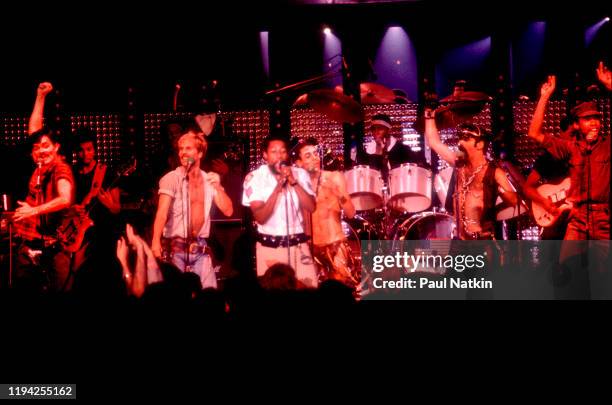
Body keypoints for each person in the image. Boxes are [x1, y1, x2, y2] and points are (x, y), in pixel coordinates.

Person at [527, 75, 609, 240]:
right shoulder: (570, 148)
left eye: (596, 118)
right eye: (587, 119)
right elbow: (534, 133)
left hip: (602, 219)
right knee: (568, 263)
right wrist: (544, 97)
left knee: (602, 265)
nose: (593, 123)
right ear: (577, 125)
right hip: (577, 218)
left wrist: (610, 86)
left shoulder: (607, 145)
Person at [151, 129, 233, 288]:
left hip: (200, 249)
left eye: (188, 148)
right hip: (175, 250)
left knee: (209, 297)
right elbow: (161, 213)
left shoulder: (209, 179)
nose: (182, 153)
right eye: (180, 149)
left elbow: (228, 211)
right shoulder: (171, 179)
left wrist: (218, 187)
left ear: (200, 153)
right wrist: (155, 242)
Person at [424, 110, 518, 240]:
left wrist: (501, 190)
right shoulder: (459, 165)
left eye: (466, 139)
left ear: (480, 144)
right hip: (459, 241)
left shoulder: (494, 173)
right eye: (460, 138)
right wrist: (429, 116)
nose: (460, 143)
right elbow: (434, 142)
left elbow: (514, 201)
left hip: (481, 242)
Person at [242, 136, 318, 288]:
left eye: (283, 151)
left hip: (298, 244)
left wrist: (293, 181)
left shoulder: (300, 174)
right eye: (274, 151)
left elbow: (311, 207)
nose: (279, 155)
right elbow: (260, 217)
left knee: (309, 288)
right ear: (265, 155)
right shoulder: (255, 178)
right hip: (270, 246)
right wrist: (277, 188)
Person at [13, 128, 75, 291]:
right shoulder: (39, 170)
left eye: (45, 146)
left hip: (52, 249)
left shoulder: (60, 169)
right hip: (29, 246)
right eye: (36, 147)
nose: (40, 150)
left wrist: (33, 211)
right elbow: (34, 127)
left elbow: (65, 199)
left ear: (56, 147)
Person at [294, 138, 358, 288]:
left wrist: (339, 193)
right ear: (299, 163)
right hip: (310, 247)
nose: (315, 158)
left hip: (335, 245)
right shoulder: (296, 184)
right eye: (308, 155)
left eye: (315, 153)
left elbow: (351, 213)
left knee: (338, 291)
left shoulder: (334, 177)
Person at [354, 113, 426, 179]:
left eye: (380, 128)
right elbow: (368, 176)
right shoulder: (364, 153)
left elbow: (411, 173)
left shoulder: (403, 150)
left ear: (389, 130)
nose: (376, 132)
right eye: (373, 129)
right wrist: (378, 150)